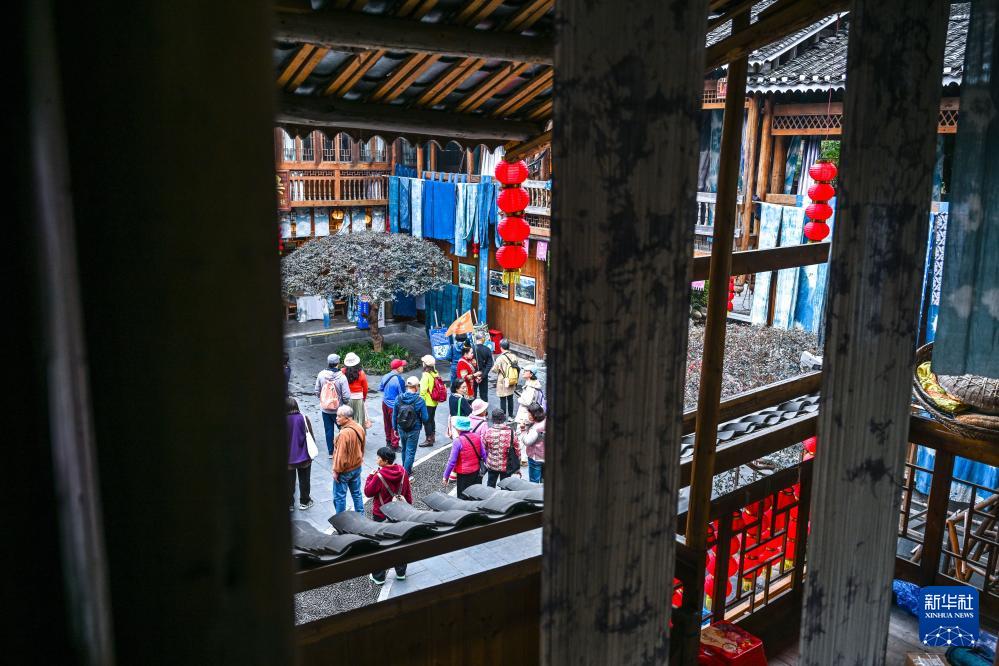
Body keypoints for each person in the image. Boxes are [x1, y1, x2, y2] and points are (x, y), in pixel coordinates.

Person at [364, 447, 412, 585]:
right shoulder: (403, 471)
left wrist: (370, 477)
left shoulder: (379, 476)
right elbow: (408, 492)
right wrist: (408, 508)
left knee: (381, 544)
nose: (376, 460)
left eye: (379, 458)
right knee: (399, 541)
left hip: (382, 514)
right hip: (400, 512)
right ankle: (401, 572)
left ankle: (379, 576)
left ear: (385, 461)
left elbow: (368, 492)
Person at [314, 353, 350, 458]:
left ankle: (331, 452)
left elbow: (317, 391)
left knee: (328, 430)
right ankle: (343, 449)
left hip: (325, 409)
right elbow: (346, 396)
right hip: (339, 410)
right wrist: (344, 404)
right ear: (338, 363)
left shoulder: (321, 375)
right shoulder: (342, 377)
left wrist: (324, 400)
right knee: (343, 429)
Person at [442, 416, 486, 499]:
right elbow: (483, 454)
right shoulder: (477, 436)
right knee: (475, 495)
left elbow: (452, 461)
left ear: (458, 429)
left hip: (463, 474)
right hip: (476, 471)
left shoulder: (457, 441)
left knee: (463, 497)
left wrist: (446, 476)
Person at [332, 405, 365, 513]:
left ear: (347, 418)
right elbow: (362, 447)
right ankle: (361, 516)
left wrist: (336, 471)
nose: (336, 418)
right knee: (357, 494)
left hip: (345, 471)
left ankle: (341, 520)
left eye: (339, 416)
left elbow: (340, 455)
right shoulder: (359, 427)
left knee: (339, 497)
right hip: (357, 467)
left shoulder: (343, 434)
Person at [394, 376, 428, 474]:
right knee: (410, 451)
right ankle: (406, 473)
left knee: (404, 449)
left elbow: (394, 415)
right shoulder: (420, 400)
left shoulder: (398, 398)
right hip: (414, 429)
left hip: (401, 428)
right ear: (416, 387)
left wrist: (395, 428)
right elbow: (425, 418)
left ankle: (404, 469)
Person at [286, 397, 315, 510]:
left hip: (288, 458)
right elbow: (310, 435)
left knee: (289, 481)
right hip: (304, 456)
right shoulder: (303, 418)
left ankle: (289, 504)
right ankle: (305, 501)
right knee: (304, 480)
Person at [482, 408, 519, 488]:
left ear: (493, 419)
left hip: (492, 464)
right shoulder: (511, 432)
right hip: (506, 465)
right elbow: (517, 450)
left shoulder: (488, 432)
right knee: (505, 486)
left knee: (490, 485)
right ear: (504, 418)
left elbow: (484, 448)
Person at [378, 358, 407, 450]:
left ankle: (388, 441)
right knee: (395, 425)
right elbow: (402, 395)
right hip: (394, 406)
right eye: (402, 366)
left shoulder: (385, 376)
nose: (403, 367)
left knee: (387, 423)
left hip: (385, 403)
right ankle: (394, 445)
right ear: (398, 368)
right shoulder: (399, 379)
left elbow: (380, 388)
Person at [418, 354, 443, 447]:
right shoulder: (435, 373)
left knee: (426, 421)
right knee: (431, 419)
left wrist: (420, 403)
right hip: (434, 401)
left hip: (427, 402)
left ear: (425, 364)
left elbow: (423, 391)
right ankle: (433, 437)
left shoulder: (425, 375)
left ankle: (429, 440)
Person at [491, 339, 519, 419]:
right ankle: (510, 416)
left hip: (502, 380)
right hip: (511, 379)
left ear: (501, 347)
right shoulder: (514, 356)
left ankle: (503, 416)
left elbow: (494, 370)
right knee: (510, 398)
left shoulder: (500, 358)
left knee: (502, 398)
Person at [343, 352, 371, 431]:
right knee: (359, 421)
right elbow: (365, 388)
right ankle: (359, 435)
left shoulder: (342, 372)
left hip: (347, 399)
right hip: (358, 399)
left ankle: (348, 434)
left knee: (347, 420)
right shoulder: (361, 373)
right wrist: (364, 399)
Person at [519, 403, 546, 483]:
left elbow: (527, 442)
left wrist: (523, 430)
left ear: (534, 415)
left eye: (529, 414)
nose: (528, 415)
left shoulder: (535, 429)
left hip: (536, 457)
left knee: (534, 482)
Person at [473, 333, 494, 403]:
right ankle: (484, 407)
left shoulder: (471, 349)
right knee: (484, 394)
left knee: (473, 393)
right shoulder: (487, 349)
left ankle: (473, 407)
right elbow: (489, 364)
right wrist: (482, 376)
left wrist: (475, 375)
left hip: (473, 374)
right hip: (483, 373)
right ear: (483, 339)